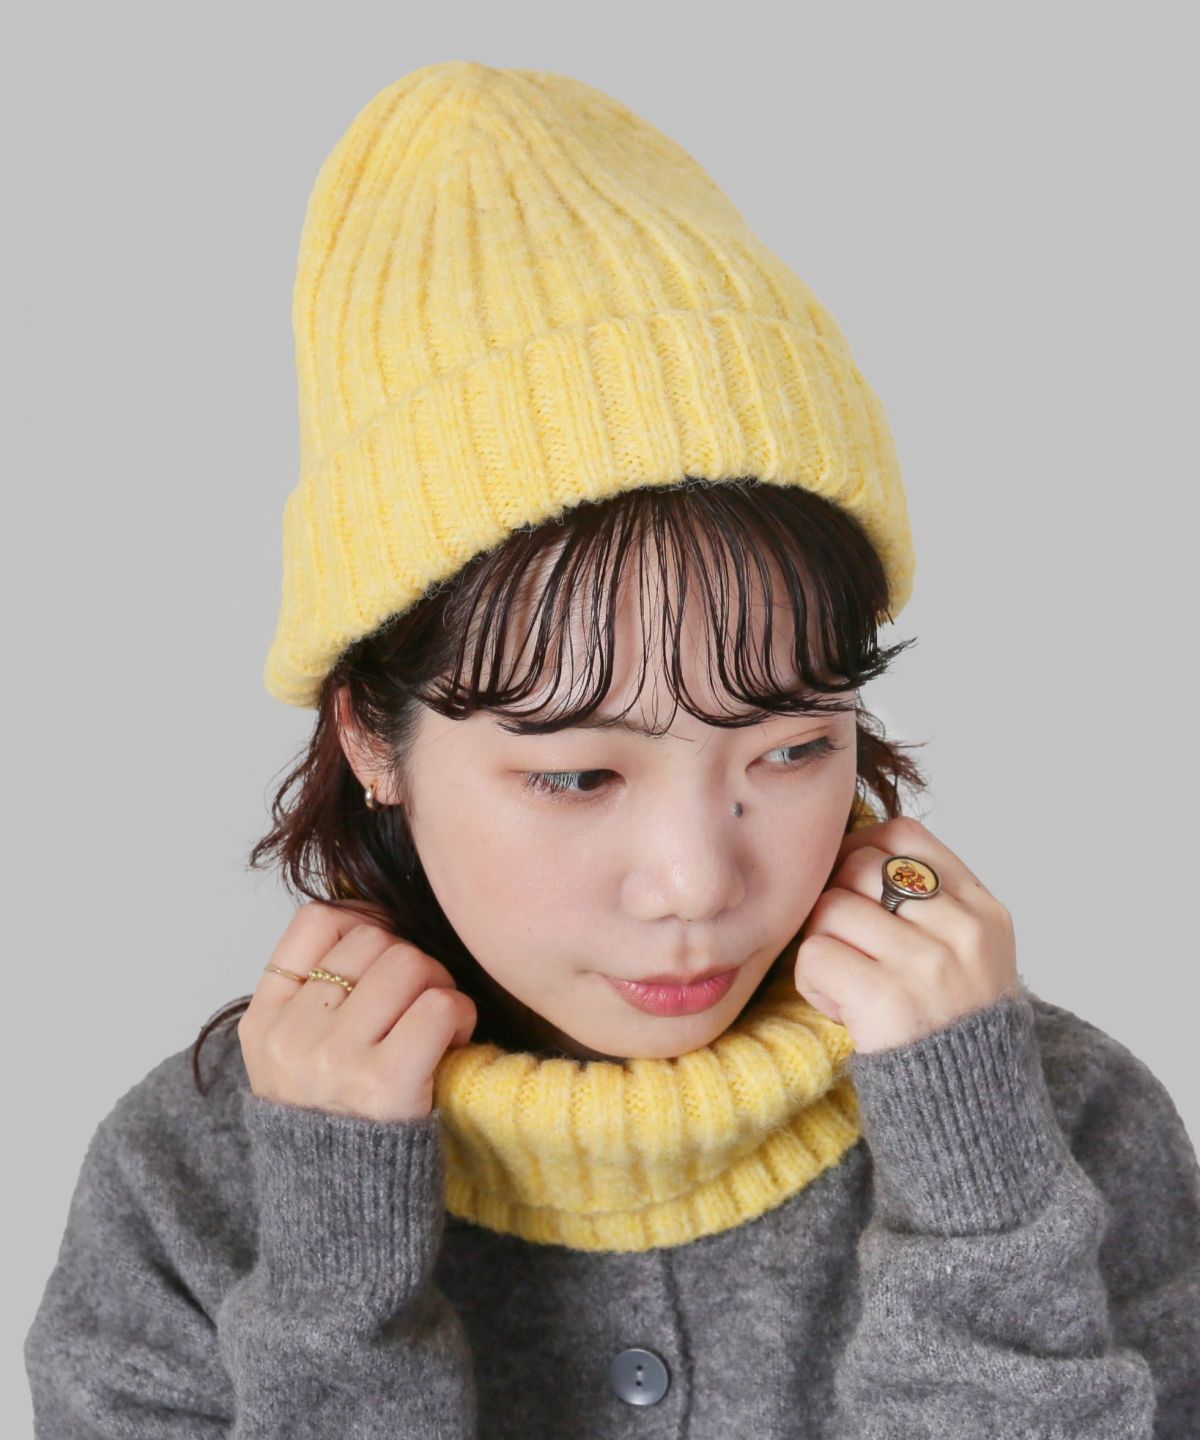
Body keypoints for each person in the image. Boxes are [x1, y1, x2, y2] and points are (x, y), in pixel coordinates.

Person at [24, 59, 1200, 1438]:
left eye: (790, 748)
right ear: (371, 735)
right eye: (577, 774)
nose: (696, 881)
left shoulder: (1059, 1125)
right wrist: (337, 1289)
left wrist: (983, 1207)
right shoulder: (190, 1192)